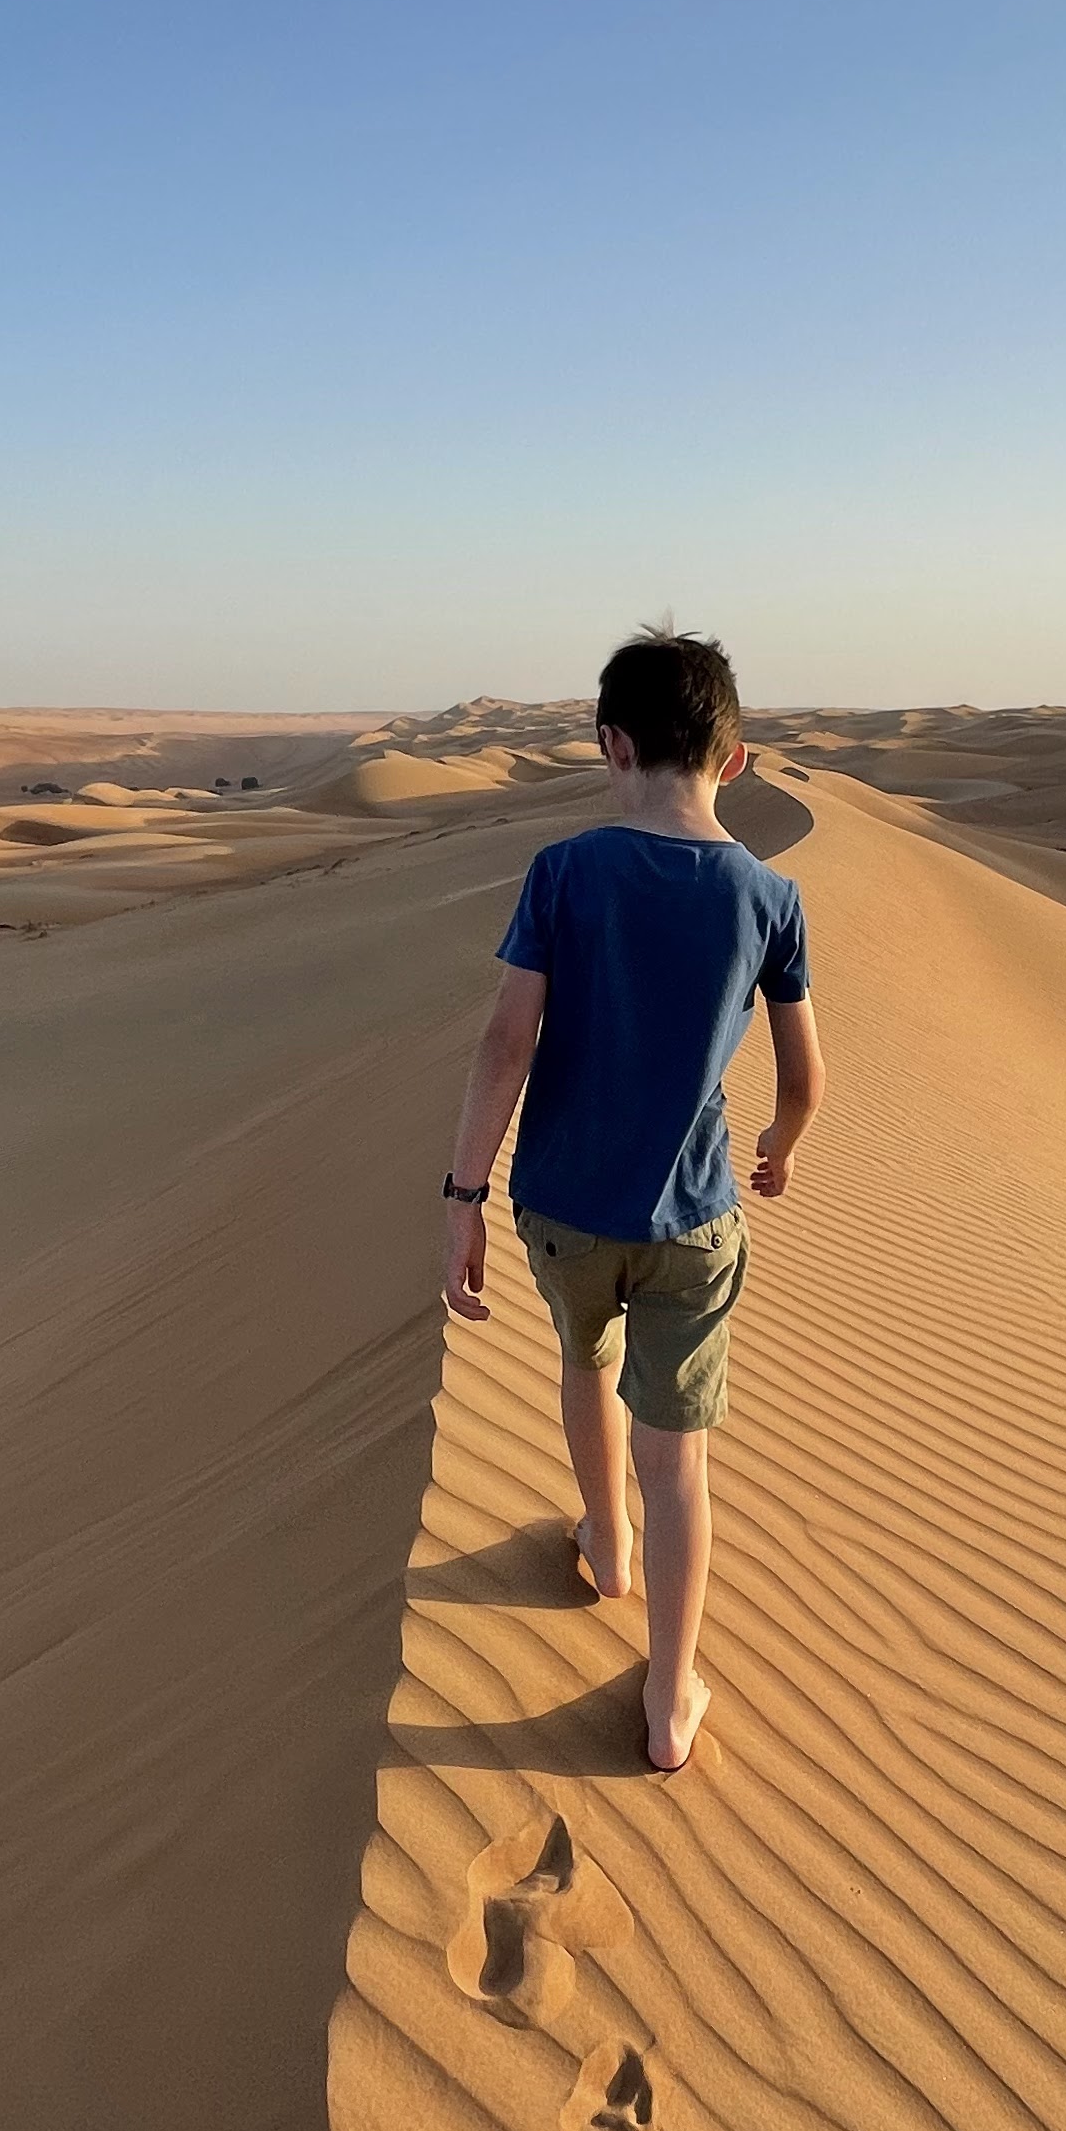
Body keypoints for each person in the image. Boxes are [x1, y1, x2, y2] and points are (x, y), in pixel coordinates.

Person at [441, 631, 825, 1775]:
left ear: (612, 746)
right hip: (694, 1222)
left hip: (562, 1207)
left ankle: (605, 1544)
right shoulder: (771, 896)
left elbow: (506, 1041)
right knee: (681, 1463)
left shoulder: (563, 872)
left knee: (584, 1362)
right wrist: (781, 1143)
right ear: (736, 760)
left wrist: (463, 1193)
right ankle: (669, 1696)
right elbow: (805, 1076)